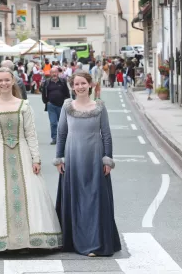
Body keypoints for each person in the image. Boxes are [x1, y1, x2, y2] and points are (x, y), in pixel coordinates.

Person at [0, 67, 62, 254]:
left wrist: (36, 159)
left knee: (29, 194)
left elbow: (31, 134)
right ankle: (2, 239)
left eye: (7, 80)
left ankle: (27, 240)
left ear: (13, 81)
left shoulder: (24, 105)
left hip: (22, 152)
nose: (4, 84)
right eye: (0, 81)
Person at [54, 72, 121, 257]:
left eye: (83, 83)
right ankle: (75, 240)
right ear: (72, 86)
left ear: (90, 85)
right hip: (73, 157)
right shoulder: (67, 107)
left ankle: (94, 243)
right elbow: (61, 133)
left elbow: (106, 134)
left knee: (94, 200)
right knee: (76, 199)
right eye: (77, 84)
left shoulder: (99, 107)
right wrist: (59, 158)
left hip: (94, 157)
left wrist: (107, 159)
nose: (80, 86)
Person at [42, 67, 71, 145]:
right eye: (52, 72)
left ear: (58, 73)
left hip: (61, 105)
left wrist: (67, 101)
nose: (54, 74)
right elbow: (43, 93)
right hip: (51, 105)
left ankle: (63, 138)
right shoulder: (47, 82)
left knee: (62, 123)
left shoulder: (62, 82)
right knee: (53, 123)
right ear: (50, 74)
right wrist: (46, 102)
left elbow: (67, 93)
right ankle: (54, 138)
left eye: (55, 72)